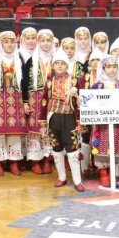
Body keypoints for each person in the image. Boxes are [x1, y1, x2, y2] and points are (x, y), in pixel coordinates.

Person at [0, 31, 28, 176]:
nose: (9, 45)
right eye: (6, 42)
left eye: (12, 42)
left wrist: (26, 101)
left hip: (16, 99)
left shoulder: (20, 60)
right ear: (1, 44)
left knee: (14, 131)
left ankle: (14, 161)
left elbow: (25, 82)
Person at [44, 49, 84, 191]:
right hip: (54, 117)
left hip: (69, 117)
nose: (60, 66)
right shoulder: (49, 82)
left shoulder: (75, 81)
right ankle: (61, 177)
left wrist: (76, 95)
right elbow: (44, 100)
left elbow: (82, 102)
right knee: (56, 147)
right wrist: (43, 121)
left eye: (63, 64)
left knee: (72, 148)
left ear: (67, 66)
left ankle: (77, 180)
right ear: (53, 66)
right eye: (57, 63)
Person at [89, 56, 119, 186]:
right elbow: (90, 103)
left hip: (117, 122)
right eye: (109, 67)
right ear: (103, 68)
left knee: (116, 144)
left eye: (114, 67)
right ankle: (103, 173)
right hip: (102, 123)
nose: (112, 70)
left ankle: (113, 173)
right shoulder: (97, 86)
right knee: (102, 144)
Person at [22, 29, 55, 175]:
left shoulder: (58, 59)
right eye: (42, 40)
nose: (46, 43)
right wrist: (25, 102)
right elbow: (24, 83)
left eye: (48, 40)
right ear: (38, 42)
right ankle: (35, 161)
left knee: (51, 127)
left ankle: (48, 159)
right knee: (35, 129)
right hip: (35, 99)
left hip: (53, 98)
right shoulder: (31, 61)